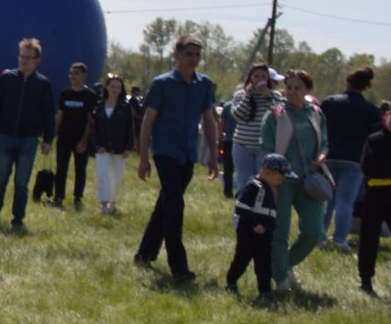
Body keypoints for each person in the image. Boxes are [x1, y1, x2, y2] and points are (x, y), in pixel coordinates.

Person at [135, 34, 221, 282]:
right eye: (188, 54)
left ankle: (145, 252)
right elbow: (148, 122)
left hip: (188, 153)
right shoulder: (162, 84)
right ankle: (178, 266)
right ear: (177, 54)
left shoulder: (204, 84)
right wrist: (143, 158)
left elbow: (209, 120)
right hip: (165, 151)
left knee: (167, 204)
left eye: (197, 55)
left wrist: (214, 156)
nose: (193, 59)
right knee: (175, 206)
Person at [259, 69, 328, 291]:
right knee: (280, 230)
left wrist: (322, 155)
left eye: (298, 88)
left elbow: (324, 141)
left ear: (308, 90)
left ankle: (285, 264)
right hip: (281, 180)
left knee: (314, 230)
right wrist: (274, 169)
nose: (292, 92)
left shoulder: (316, 113)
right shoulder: (275, 114)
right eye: (288, 87)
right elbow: (267, 147)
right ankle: (280, 278)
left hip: (309, 180)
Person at [0, 38, 57, 230]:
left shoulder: (43, 84)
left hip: (29, 140)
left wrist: (48, 139)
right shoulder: (6, 79)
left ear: (37, 60)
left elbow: (49, 114)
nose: (24, 61)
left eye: (28, 58)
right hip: (5, 137)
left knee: (21, 182)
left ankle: (18, 219)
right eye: (22, 57)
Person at [320, 66, 379, 253]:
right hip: (354, 160)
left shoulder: (330, 102)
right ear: (366, 86)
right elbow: (375, 138)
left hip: (328, 156)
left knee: (325, 200)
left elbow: (318, 126)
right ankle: (340, 239)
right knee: (345, 202)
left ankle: (319, 237)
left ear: (347, 82)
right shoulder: (371, 110)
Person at [227, 153, 289, 298]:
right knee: (241, 259)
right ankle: (231, 281)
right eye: (280, 177)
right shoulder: (253, 186)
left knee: (264, 264)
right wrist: (254, 224)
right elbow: (241, 206)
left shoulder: (269, 189)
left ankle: (265, 291)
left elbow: (270, 213)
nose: (282, 180)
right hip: (248, 234)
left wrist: (269, 227)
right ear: (267, 172)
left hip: (265, 235)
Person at [355, 108, 391, 296]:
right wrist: (390, 172)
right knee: (369, 239)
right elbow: (367, 165)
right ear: (388, 119)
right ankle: (365, 279)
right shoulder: (374, 139)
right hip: (376, 193)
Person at [51, 61, 99, 209]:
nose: (73, 76)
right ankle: (58, 197)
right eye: (71, 73)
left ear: (84, 75)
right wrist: (52, 135)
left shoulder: (90, 96)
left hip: (80, 138)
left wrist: (84, 140)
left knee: (80, 169)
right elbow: (60, 115)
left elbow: (90, 121)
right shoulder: (65, 94)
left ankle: (77, 198)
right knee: (61, 168)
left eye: (76, 73)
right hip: (64, 137)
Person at [226, 62, 277, 199]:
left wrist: (267, 97)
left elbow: (277, 116)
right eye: (256, 76)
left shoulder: (274, 96)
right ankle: (241, 214)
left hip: (263, 147)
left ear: (268, 79)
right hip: (242, 146)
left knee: (262, 183)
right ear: (250, 77)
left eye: (263, 76)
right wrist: (248, 96)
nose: (260, 79)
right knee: (243, 182)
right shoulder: (240, 94)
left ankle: (258, 213)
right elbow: (237, 115)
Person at [89, 74, 136, 214]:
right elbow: (94, 127)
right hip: (102, 147)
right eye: (112, 86)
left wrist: (128, 147)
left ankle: (112, 202)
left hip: (119, 147)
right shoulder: (99, 106)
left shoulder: (125, 107)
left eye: (118, 87)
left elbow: (130, 128)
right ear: (107, 88)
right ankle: (104, 203)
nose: (115, 89)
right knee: (102, 175)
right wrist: (98, 144)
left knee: (116, 176)